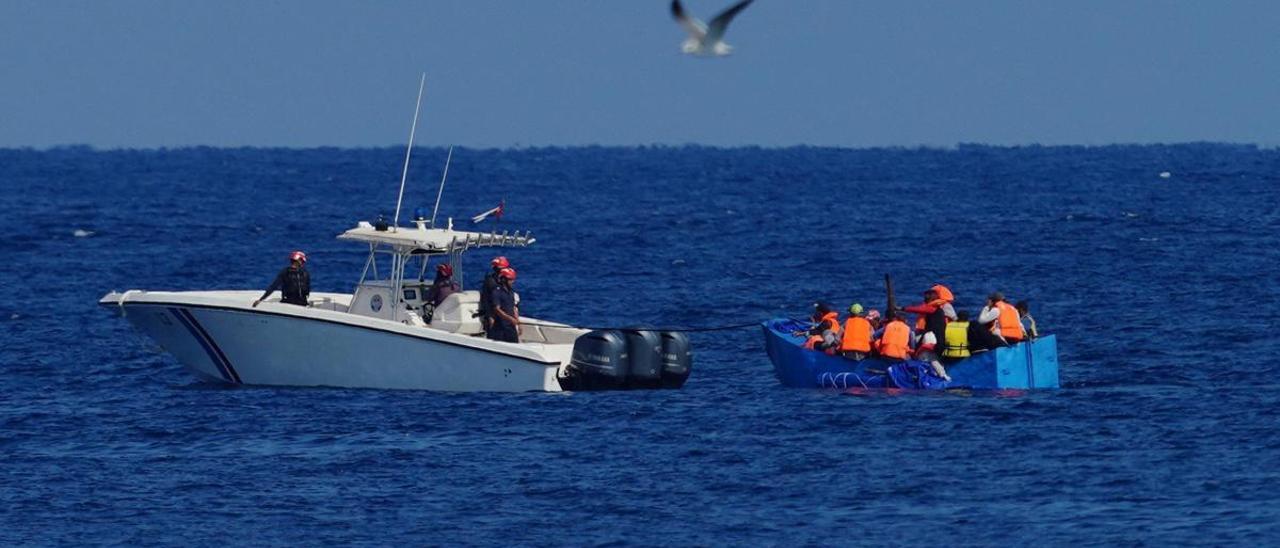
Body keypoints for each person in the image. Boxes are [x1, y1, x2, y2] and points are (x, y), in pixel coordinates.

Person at [487, 267, 520, 343]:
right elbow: (497, 310)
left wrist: (517, 321)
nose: (512, 282)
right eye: (510, 279)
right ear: (504, 279)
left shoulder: (511, 292)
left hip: (511, 327)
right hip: (500, 328)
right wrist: (510, 319)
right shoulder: (496, 292)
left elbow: (514, 307)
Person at [478, 256, 509, 331]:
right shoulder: (491, 281)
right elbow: (487, 299)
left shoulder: (503, 281)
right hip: (494, 313)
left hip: (504, 311)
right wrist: (490, 316)